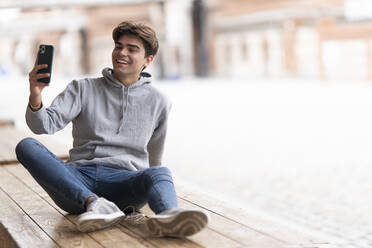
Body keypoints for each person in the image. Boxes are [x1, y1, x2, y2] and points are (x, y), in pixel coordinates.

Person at [15, 21, 209, 237]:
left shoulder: (159, 101)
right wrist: (35, 94)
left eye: (131, 49)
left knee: (160, 172)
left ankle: (170, 217)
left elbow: (154, 160)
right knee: (27, 146)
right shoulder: (83, 88)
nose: (121, 53)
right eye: (118, 46)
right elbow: (43, 125)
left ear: (148, 60)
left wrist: (156, 189)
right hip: (78, 182)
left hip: (125, 183)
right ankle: (95, 204)